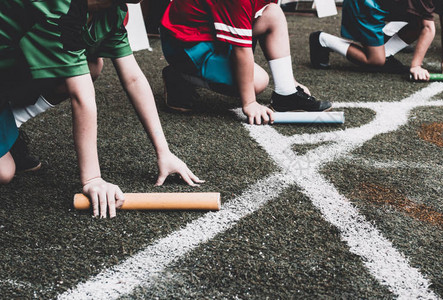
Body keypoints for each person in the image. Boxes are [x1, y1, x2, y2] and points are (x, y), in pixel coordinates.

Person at [1, 0, 203, 219]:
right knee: (4, 173)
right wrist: (92, 179)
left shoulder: (111, 8)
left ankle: (13, 127)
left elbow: (134, 78)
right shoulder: (56, 6)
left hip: (9, 74)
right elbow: (82, 96)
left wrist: (164, 152)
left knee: (92, 65)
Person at [159, 0, 332, 125]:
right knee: (258, 82)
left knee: (272, 13)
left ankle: (286, 94)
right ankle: (179, 74)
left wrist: (289, 81)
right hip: (185, 45)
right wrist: (249, 102)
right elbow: (241, 49)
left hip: (208, 31)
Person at [309, 0, 443, 81]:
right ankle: (322, 39)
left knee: (416, 24)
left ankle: (385, 54)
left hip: (380, 7)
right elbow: (429, 28)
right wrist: (416, 66)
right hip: (366, 5)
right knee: (375, 61)